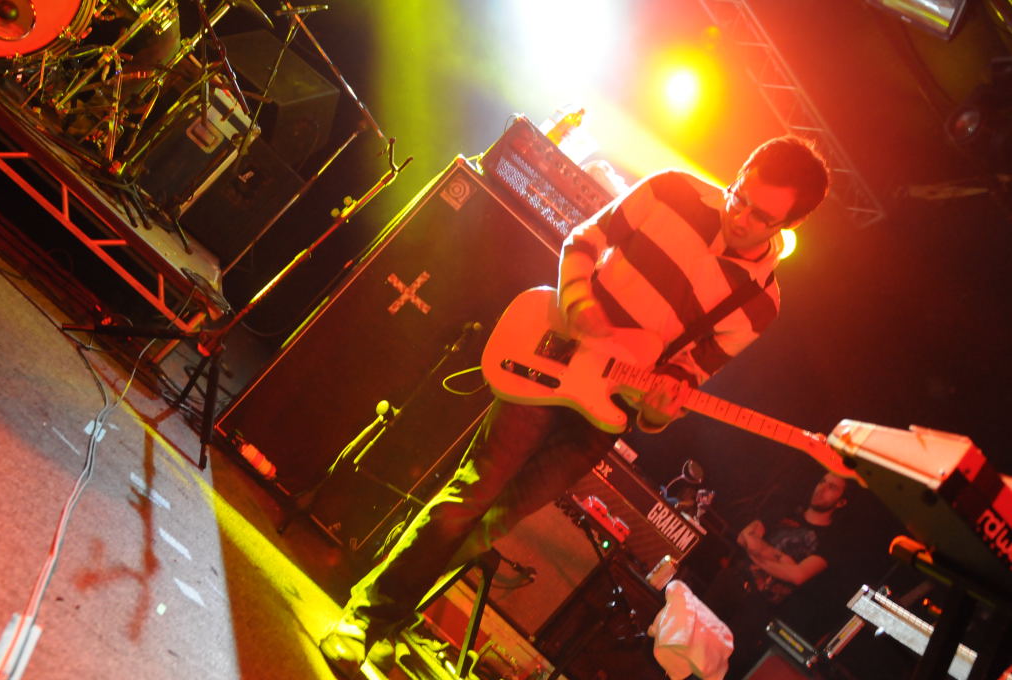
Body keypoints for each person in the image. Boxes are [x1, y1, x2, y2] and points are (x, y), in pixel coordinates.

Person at [319, 135, 832, 677]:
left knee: (494, 523)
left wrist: (661, 408)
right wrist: (579, 301)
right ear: (741, 170)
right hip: (556, 351)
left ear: (788, 225)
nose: (740, 216)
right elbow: (586, 238)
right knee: (473, 492)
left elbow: (686, 376)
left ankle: (391, 610)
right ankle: (366, 617)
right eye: (739, 195)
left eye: (761, 216)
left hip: (604, 412)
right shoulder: (672, 189)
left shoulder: (760, 302)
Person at [702, 472, 851, 679]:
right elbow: (744, 537)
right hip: (731, 580)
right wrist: (781, 559)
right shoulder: (786, 511)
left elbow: (797, 575)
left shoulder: (828, 542)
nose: (822, 488)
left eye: (832, 487)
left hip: (758, 604)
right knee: (688, 633)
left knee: (719, 662)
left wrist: (759, 551)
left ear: (841, 502)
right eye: (822, 481)